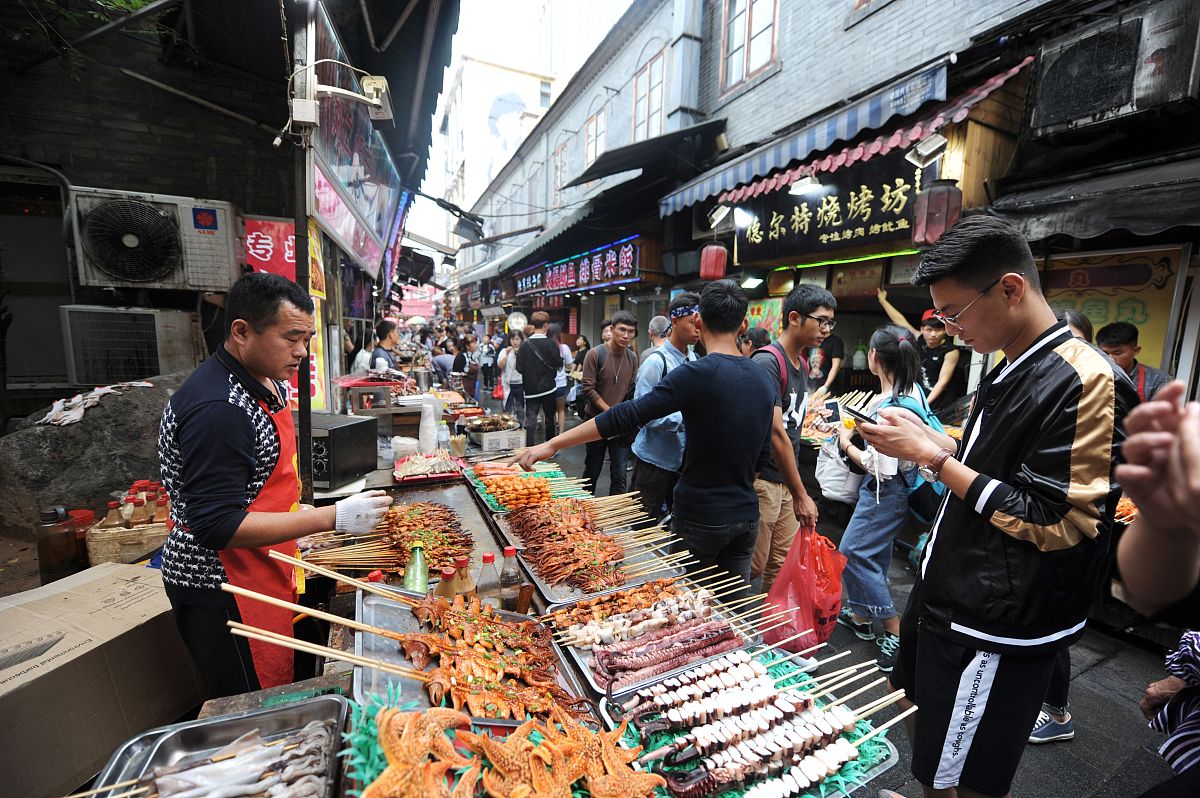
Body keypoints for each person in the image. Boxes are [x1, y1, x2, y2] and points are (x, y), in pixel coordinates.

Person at [863, 216, 1136, 798]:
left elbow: (1059, 518)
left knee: (970, 773)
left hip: (995, 620)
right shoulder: (1012, 357)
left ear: (1011, 289)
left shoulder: (1089, 379)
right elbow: (999, 461)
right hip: (951, 587)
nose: (952, 330)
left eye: (956, 314)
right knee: (930, 735)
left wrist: (935, 461)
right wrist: (935, 440)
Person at [157, 273, 392, 698]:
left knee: (280, 686)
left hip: (261, 564)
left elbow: (254, 483)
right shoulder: (219, 409)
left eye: (308, 339)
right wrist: (331, 517)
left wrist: (297, 514)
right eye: (292, 338)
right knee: (251, 706)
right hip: (222, 585)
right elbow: (215, 524)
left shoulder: (264, 380)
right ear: (242, 332)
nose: (302, 352)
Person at [515, 280, 777, 591]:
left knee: (688, 612)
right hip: (746, 517)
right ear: (744, 323)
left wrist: (551, 443)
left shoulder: (696, 374)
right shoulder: (763, 378)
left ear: (698, 321)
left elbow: (626, 414)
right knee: (730, 617)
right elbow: (763, 453)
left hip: (700, 516)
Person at [834, 325, 931, 673]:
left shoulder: (890, 406)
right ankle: (861, 613)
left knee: (852, 553)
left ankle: (893, 626)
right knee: (875, 551)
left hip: (885, 490)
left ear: (874, 357)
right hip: (900, 488)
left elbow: (881, 465)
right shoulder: (914, 391)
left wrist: (846, 441)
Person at [749, 284, 830, 593]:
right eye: (821, 320)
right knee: (754, 564)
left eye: (829, 322)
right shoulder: (768, 362)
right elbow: (774, 432)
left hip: (785, 479)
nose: (826, 329)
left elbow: (791, 422)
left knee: (780, 562)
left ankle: (769, 631)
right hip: (765, 480)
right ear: (795, 318)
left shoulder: (803, 363)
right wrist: (801, 494)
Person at [630, 292, 701, 522]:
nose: (697, 329)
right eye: (692, 322)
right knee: (641, 523)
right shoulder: (656, 362)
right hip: (653, 461)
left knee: (677, 523)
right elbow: (642, 413)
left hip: (682, 461)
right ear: (675, 321)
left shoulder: (695, 360)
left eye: (701, 323)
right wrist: (686, 420)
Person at [876, 288, 967, 415]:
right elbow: (900, 321)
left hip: (939, 405)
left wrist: (924, 406)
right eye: (929, 330)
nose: (933, 334)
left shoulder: (950, 351)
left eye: (938, 330)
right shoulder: (919, 339)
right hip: (920, 401)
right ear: (922, 329)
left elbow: (942, 381)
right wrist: (882, 300)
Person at [580, 310, 640, 494]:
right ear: (611, 329)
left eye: (630, 331)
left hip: (620, 425)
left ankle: (617, 518)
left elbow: (631, 390)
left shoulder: (632, 357)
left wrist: (620, 416)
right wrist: (609, 412)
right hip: (595, 421)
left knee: (620, 474)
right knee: (592, 469)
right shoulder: (595, 354)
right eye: (622, 330)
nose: (626, 335)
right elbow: (588, 388)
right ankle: (582, 510)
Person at [517, 312, 565, 446]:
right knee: (549, 418)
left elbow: (519, 368)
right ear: (546, 326)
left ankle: (529, 448)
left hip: (531, 389)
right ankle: (550, 447)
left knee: (531, 421)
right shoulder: (551, 344)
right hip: (549, 388)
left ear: (533, 325)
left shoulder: (524, 345)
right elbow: (559, 365)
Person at [1097, 321, 1173, 402]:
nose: (1110, 359)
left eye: (1117, 353)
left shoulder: (1158, 379)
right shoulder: (1092, 376)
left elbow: (1160, 413)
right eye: (1104, 353)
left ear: (1136, 350)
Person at [547, 323, 573, 435]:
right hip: (561, 384)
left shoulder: (545, 347)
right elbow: (569, 364)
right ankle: (561, 434)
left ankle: (550, 435)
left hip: (547, 384)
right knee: (561, 410)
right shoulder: (564, 348)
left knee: (549, 412)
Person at [498, 331, 526, 425]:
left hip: (521, 384)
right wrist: (506, 353)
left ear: (521, 340)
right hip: (508, 384)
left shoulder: (524, 350)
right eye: (512, 339)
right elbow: (500, 365)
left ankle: (520, 427)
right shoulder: (504, 351)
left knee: (520, 409)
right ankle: (507, 427)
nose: (515, 342)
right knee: (508, 409)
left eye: (517, 339)